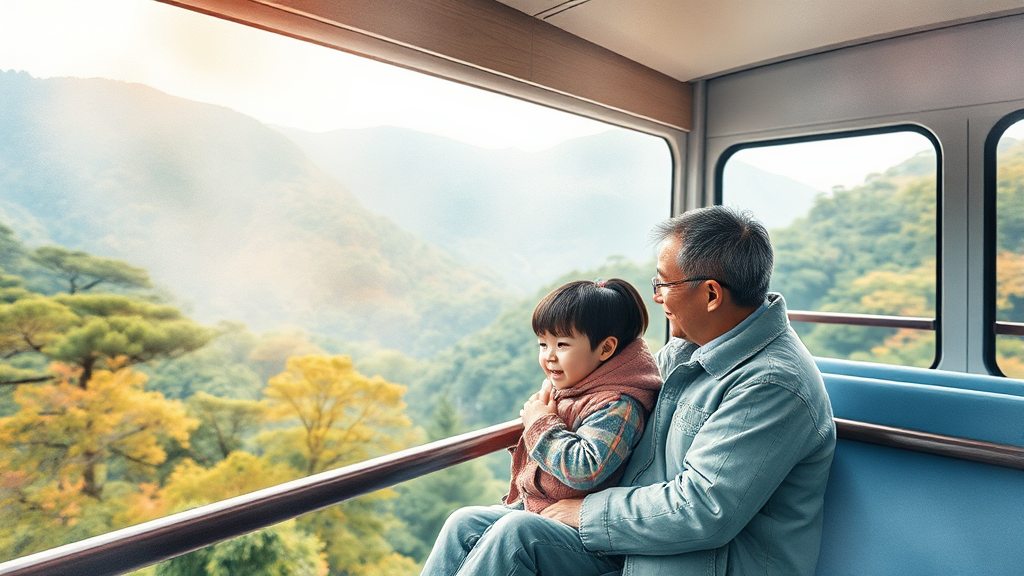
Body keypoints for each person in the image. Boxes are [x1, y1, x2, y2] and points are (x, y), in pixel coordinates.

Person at [423, 205, 836, 576]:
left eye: (664, 285)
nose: (657, 298)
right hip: (643, 540)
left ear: (711, 294)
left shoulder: (770, 384)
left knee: (518, 536)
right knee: (466, 526)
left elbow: (703, 509)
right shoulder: (689, 349)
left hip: (694, 561)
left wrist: (585, 511)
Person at [421, 278, 663, 575]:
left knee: (516, 532)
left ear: (605, 348)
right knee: (463, 522)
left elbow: (585, 469)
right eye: (543, 343)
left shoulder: (618, 403)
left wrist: (539, 423)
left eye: (562, 344)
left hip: (594, 541)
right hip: (545, 515)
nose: (549, 355)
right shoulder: (577, 386)